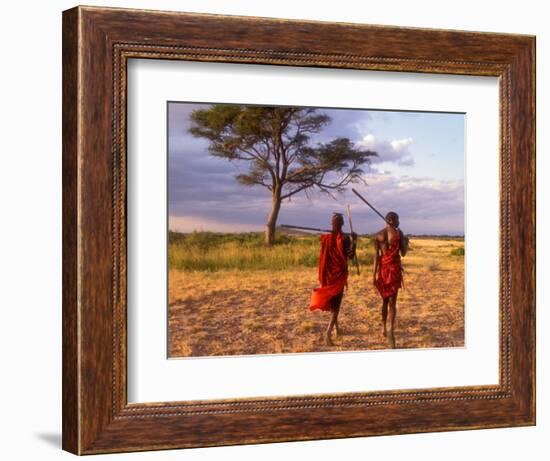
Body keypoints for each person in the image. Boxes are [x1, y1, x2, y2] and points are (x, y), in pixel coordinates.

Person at [309, 213, 357, 346]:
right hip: (338, 277)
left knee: (334, 304)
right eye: (334, 222)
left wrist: (351, 240)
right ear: (342, 224)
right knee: (336, 306)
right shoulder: (344, 239)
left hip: (328, 276)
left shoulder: (328, 238)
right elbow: (351, 256)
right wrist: (355, 242)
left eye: (334, 223)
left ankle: (337, 329)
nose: (333, 225)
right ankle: (328, 333)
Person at [373, 211, 409, 349]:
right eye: (398, 219)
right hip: (393, 271)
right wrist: (405, 241)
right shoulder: (399, 234)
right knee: (392, 304)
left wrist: (373, 276)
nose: (399, 222)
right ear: (392, 220)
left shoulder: (378, 234)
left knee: (384, 301)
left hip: (382, 271)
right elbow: (403, 253)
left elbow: (376, 257)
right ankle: (391, 332)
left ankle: (384, 328)